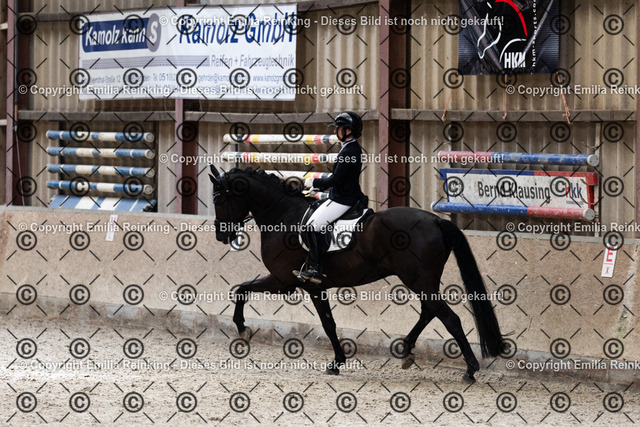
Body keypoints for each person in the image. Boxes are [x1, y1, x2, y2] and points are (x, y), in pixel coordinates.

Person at [293, 111, 365, 284]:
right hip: (340, 195)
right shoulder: (349, 148)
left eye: (338, 128)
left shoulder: (350, 151)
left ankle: (316, 269)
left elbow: (335, 179)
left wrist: (314, 182)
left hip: (344, 199)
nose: (334, 131)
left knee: (312, 227)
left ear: (348, 130)